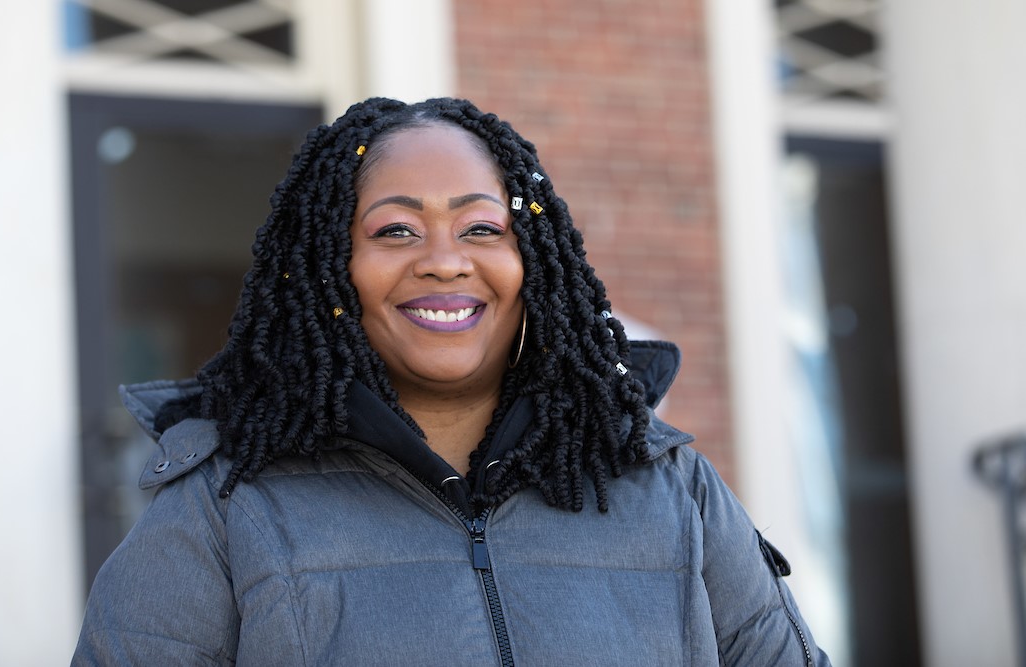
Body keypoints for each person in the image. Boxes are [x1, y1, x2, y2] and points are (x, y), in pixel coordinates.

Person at [73, 97, 830, 666]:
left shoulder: (671, 489)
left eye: (481, 228)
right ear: (329, 271)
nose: (443, 259)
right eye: (394, 230)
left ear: (533, 263)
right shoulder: (226, 505)